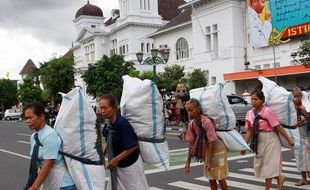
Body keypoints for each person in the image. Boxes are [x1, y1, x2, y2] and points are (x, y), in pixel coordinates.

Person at [241, 90, 294, 190]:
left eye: (256, 99)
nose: (253, 101)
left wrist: (289, 139)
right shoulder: (249, 114)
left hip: (271, 140)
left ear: (262, 100)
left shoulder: (267, 111)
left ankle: (267, 188)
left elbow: (277, 127)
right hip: (258, 141)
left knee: (269, 166)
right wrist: (244, 145)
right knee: (260, 164)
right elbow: (249, 131)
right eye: (252, 99)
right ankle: (280, 178)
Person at [99, 94, 149, 190]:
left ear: (114, 107)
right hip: (118, 166)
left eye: (105, 108)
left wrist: (116, 160)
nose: (102, 111)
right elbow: (108, 139)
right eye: (101, 108)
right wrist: (104, 150)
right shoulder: (108, 124)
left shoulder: (122, 123)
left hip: (130, 166)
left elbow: (132, 146)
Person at [23, 102, 75, 190]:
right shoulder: (34, 137)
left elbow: (48, 164)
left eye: (31, 117)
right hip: (49, 182)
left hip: (63, 185)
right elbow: (39, 164)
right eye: (26, 118)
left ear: (42, 117)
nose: (28, 121)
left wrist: (34, 187)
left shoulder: (50, 135)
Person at [185, 98, 228, 190]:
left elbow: (211, 141)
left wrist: (208, 161)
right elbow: (191, 143)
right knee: (210, 177)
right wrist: (188, 161)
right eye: (188, 110)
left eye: (191, 110)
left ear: (198, 110)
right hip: (207, 150)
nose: (189, 113)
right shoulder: (192, 124)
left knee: (220, 176)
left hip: (218, 149)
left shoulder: (206, 121)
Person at [292, 88, 310, 186]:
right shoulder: (290, 108)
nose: (296, 98)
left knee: (308, 158)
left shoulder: (306, 106)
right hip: (297, 137)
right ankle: (303, 178)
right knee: (299, 158)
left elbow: (309, 118)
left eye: (298, 96)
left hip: (307, 136)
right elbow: (287, 122)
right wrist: (296, 123)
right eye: (294, 96)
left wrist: (305, 114)